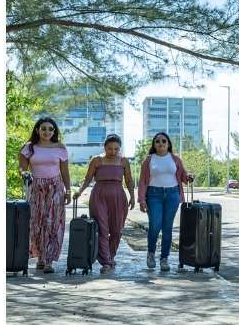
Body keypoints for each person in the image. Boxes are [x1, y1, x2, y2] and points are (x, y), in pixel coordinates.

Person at [73, 134, 134, 273]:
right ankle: (105, 261)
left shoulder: (124, 161)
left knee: (117, 231)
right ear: (104, 147)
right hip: (99, 196)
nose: (112, 151)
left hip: (118, 196)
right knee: (102, 229)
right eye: (109, 148)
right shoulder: (97, 160)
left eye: (116, 149)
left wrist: (132, 196)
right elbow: (88, 179)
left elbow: (129, 180)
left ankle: (111, 256)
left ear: (120, 148)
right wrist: (80, 192)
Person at [18, 117, 71, 273]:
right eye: (43, 128)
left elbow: (65, 172)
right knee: (37, 222)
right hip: (36, 187)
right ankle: (40, 257)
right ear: (37, 130)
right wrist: (24, 173)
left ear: (54, 131)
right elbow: (22, 167)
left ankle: (48, 260)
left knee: (53, 222)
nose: (47, 132)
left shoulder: (60, 148)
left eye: (50, 129)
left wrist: (68, 191)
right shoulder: (29, 147)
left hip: (55, 187)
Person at [137, 132, 194, 272]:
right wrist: (141, 200)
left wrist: (189, 176)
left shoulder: (175, 159)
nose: (161, 143)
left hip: (172, 195)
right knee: (155, 225)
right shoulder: (149, 160)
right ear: (154, 144)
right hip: (153, 195)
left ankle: (164, 259)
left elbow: (183, 177)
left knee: (167, 228)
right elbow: (143, 181)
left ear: (168, 144)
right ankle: (151, 254)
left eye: (164, 141)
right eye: (157, 141)